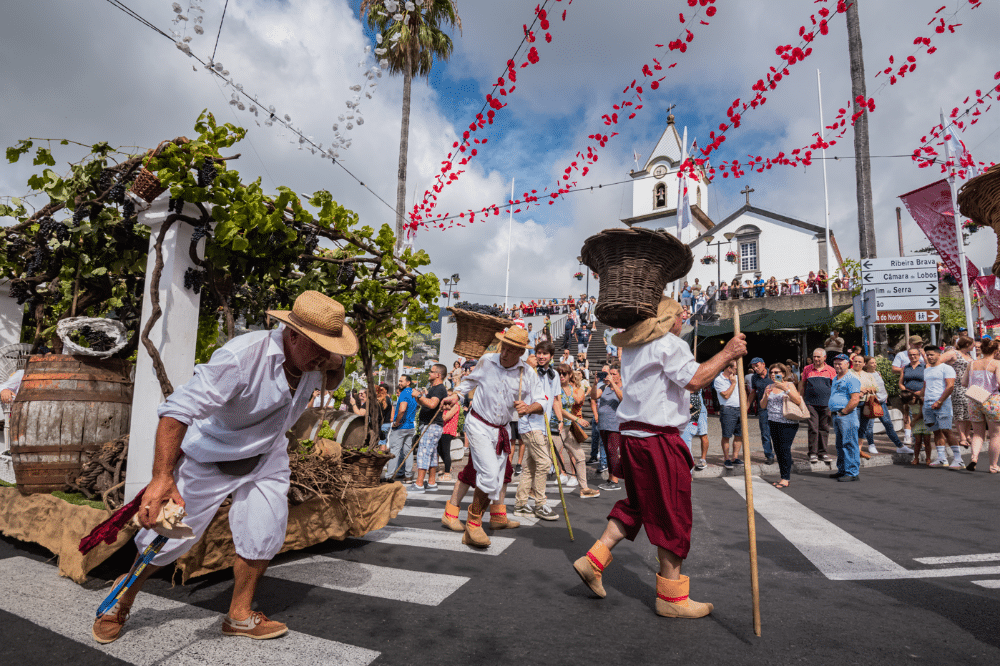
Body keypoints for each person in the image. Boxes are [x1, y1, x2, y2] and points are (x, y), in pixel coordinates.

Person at [92, 291, 354, 644]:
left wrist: (334, 364)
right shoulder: (242, 358)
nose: (324, 357)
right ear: (293, 334)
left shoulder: (318, 361)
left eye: (330, 349)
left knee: (264, 533)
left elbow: (331, 375)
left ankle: (239, 615)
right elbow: (177, 411)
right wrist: (162, 477)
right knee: (166, 538)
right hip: (209, 458)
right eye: (318, 348)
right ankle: (121, 598)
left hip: (267, 457)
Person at [572, 297, 747, 619]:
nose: (685, 317)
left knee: (638, 504)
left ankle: (594, 559)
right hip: (657, 439)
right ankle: (672, 596)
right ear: (672, 319)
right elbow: (694, 380)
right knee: (672, 511)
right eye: (682, 314)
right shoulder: (670, 343)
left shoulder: (635, 348)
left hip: (634, 437)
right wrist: (727, 354)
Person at [443, 326, 545, 548]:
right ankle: (473, 523)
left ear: (521, 353)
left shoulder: (527, 374)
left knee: (497, 479)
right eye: (504, 347)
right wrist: (456, 395)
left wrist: (528, 408)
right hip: (478, 425)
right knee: (489, 475)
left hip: (501, 430)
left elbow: (542, 401)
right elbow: (470, 382)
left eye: (511, 350)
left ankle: (487, 519)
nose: (505, 353)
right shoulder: (487, 361)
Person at [513, 340, 563, 521]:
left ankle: (520, 504)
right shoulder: (526, 370)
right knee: (544, 462)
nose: (541, 356)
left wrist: (560, 419)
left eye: (545, 354)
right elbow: (517, 385)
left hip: (544, 424)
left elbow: (555, 399)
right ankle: (540, 503)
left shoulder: (554, 374)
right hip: (530, 423)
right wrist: (526, 366)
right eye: (539, 353)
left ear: (551, 356)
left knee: (531, 467)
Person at [553, 364, 598, 496]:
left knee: (580, 457)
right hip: (556, 427)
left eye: (564, 373)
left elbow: (576, 403)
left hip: (568, 427)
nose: (561, 376)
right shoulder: (556, 389)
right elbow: (560, 409)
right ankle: (531, 490)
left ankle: (584, 488)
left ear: (570, 375)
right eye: (559, 373)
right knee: (546, 460)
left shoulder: (570, 389)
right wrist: (577, 419)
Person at [760, 363, 804, 488]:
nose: (774, 375)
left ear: (783, 374)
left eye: (777, 372)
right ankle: (782, 476)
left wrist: (785, 389)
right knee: (778, 450)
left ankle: (786, 478)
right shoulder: (769, 386)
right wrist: (766, 396)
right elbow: (763, 406)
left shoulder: (789, 385)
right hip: (773, 421)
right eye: (772, 372)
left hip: (788, 422)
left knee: (784, 449)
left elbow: (798, 400)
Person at [962, 337, 1000, 472]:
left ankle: (974, 457)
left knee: (978, 434)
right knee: (995, 435)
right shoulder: (996, 364)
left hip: (974, 399)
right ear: (995, 351)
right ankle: (993, 465)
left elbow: (964, 383)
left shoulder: (971, 364)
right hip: (992, 400)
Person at [410, 364, 449, 493]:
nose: (429, 374)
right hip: (431, 425)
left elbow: (432, 405)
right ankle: (431, 482)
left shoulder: (438, 388)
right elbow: (426, 404)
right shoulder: (434, 389)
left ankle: (419, 484)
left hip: (431, 425)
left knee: (424, 453)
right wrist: (419, 398)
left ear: (438, 375)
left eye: (431, 372)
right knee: (432, 454)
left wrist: (420, 396)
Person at [922, 345, 963, 468]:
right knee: (936, 431)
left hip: (942, 403)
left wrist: (939, 401)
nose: (929, 357)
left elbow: (950, 386)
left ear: (939, 354)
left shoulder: (947, 368)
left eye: (931, 354)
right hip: (928, 403)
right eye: (927, 355)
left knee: (946, 430)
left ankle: (958, 459)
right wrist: (911, 395)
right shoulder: (926, 370)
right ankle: (941, 458)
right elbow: (925, 388)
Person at [860, 357, 910, 455]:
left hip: (882, 402)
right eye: (872, 363)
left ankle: (900, 446)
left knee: (888, 424)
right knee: (869, 426)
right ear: (866, 364)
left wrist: (886, 394)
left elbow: (881, 385)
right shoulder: (865, 375)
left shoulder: (878, 373)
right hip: (872, 402)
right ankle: (871, 445)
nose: (874, 364)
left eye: (875, 362)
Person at [828, 354, 861, 482]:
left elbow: (855, 399)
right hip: (837, 415)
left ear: (848, 363)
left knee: (849, 443)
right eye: (835, 363)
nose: (837, 365)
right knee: (840, 444)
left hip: (847, 415)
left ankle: (852, 472)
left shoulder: (851, 378)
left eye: (840, 363)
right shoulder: (836, 378)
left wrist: (844, 411)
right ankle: (842, 470)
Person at [800, 348, 836, 463]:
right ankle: (812, 453)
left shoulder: (831, 370)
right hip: (811, 404)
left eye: (818, 357)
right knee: (813, 429)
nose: (815, 359)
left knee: (824, 429)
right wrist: (800, 400)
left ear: (824, 357)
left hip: (826, 404)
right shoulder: (807, 369)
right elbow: (802, 385)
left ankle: (823, 453)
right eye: (814, 356)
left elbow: (834, 386)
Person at [593, 363, 624, 491]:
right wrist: (595, 383)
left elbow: (623, 399)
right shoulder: (605, 388)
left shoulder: (623, 387)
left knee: (612, 452)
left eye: (613, 374)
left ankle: (615, 480)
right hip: (603, 424)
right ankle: (611, 478)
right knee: (607, 450)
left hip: (614, 425)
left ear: (620, 376)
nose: (610, 376)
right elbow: (594, 396)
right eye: (609, 374)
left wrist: (613, 384)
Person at [941, 336, 975, 449]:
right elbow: (938, 362)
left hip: (971, 386)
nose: (974, 346)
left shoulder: (969, 355)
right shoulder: (953, 353)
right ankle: (962, 437)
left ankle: (967, 434)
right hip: (958, 386)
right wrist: (948, 376)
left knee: (969, 411)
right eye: (972, 344)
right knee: (959, 411)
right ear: (967, 344)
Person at [892, 335, 925, 444]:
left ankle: (923, 439)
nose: (919, 345)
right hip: (909, 393)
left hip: (922, 393)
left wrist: (924, 355)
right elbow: (894, 369)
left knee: (922, 415)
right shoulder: (902, 356)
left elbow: (931, 368)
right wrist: (907, 391)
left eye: (920, 343)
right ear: (910, 344)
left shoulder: (923, 359)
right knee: (909, 414)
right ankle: (910, 437)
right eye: (916, 344)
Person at [385, 374, 419, 482]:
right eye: (399, 381)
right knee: (407, 452)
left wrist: (396, 423)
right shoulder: (413, 393)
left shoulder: (404, 393)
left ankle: (389, 476)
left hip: (401, 427)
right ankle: (408, 475)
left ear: (408, 382)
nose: (399, 383)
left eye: (401, 381)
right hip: (410, 426)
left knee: (394, 451)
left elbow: (402, 409)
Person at [713, 360, 744, 469]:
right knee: (726, 435)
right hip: (728, 409)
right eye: (735, 368)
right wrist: (733, 383)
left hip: (740, 408)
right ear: (729, 368)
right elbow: (725, 395)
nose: (737, 370)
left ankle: (735, 457)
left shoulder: (738, 377)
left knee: (739, 434)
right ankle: (727, 458)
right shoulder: (718, 380)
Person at [747, 357, 776, 465]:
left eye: (757, 365)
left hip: (776, 408)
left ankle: (783, 455)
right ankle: (769, 456)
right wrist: (747, 405)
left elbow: (781, 386)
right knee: (765, 433)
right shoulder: (754, 377)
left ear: (763, 364)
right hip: (763, 408)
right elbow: (753, 392)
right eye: (753, 367)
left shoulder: (773, 373)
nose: (755, 368)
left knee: (778, 433)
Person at [682, 387, 711, 472]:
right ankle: (689, 464)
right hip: (690, 414)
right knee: (686, 441)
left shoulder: (695, 392)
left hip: (700, 411)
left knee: (703, 435)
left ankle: (703, 459)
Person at [901, 391, 933, 464]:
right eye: (907, 402)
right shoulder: (908, 402)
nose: (909, 404)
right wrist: (906, 416)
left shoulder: (920, 401)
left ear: (914, 397)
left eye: (910, 402)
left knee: (927, 441)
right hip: (917, 424)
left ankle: (928, 458)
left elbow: (921, 413)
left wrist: (914, 421)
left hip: (925, 422)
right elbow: (906, 409)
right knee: (917, 442)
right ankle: (916, 458)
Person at [374, 383, 393, 447]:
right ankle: (382, 454)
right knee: (383, 441)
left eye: (381, 389)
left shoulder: (385, 399)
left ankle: (381, 455)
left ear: (386, 390)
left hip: (383, 423)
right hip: (387, 423)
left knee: (381, 442)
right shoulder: (388, 399)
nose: (380, 391)